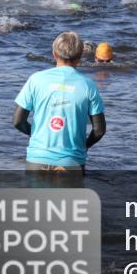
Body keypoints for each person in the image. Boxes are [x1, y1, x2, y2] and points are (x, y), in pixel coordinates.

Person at [12, 31, 106, 172]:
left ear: (54, 54)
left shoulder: (36, 80)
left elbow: (18, 121)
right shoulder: (88, 85)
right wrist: (84, 146)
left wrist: (34, 133)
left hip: (37, 160)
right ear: (80, 56)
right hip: (72, 162)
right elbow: (99, 130)